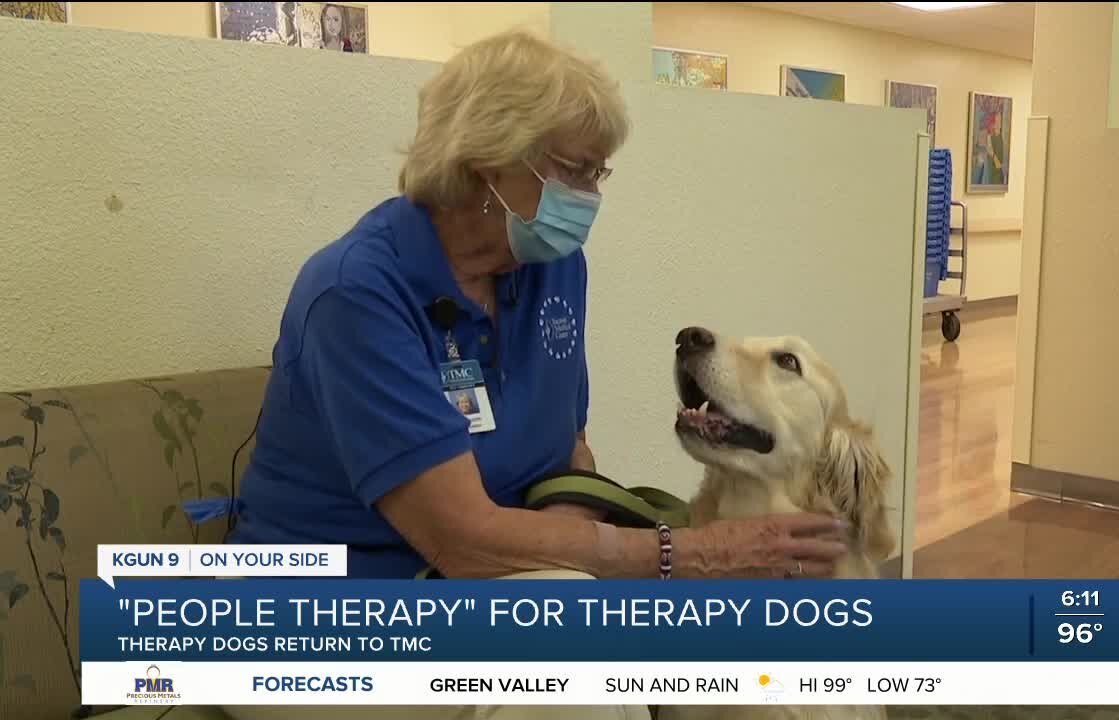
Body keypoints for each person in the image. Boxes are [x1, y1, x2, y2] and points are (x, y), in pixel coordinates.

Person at [225, 30, 849, 583]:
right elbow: (462, 540)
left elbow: (570, 449)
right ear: (484, 158)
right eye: (574, 170)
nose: (587, 199)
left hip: (496, 576)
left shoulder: (555, 268)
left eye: (598, 175)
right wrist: (685, 553)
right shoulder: (355, 293)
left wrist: (567, 539)